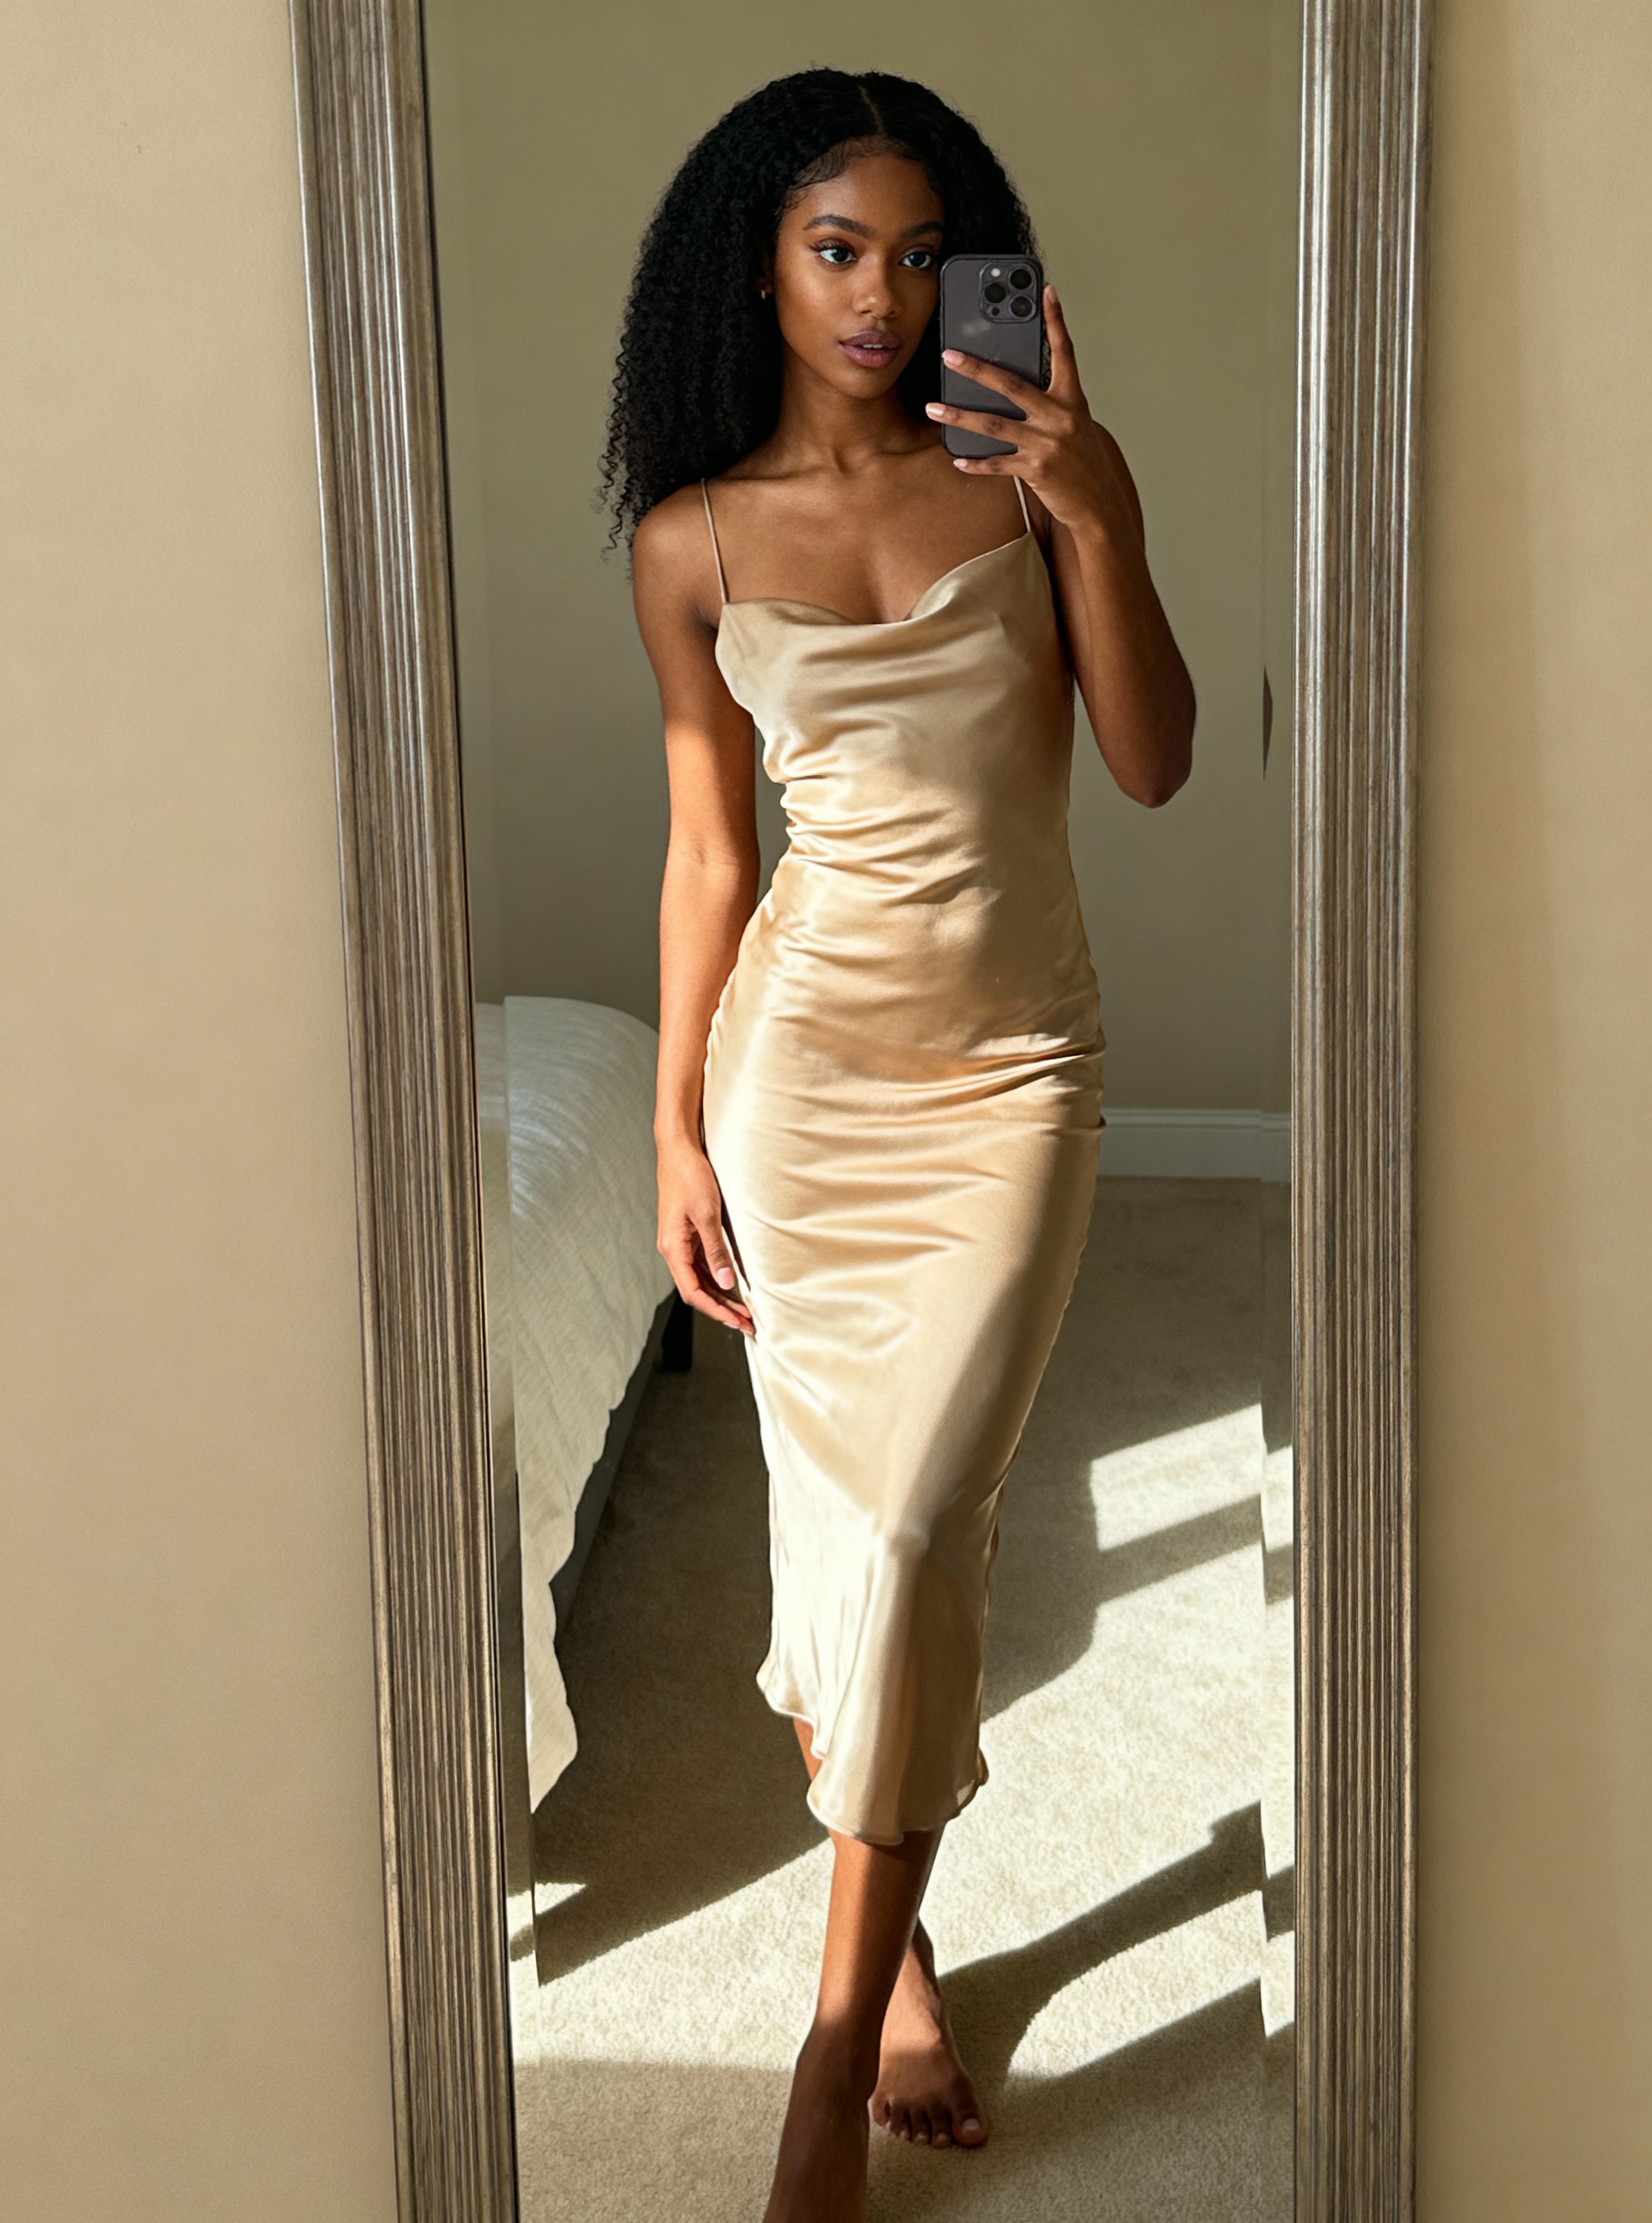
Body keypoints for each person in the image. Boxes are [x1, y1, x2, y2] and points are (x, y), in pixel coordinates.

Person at [606, 68, 1193, 2223]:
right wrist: (674, 1125)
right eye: (837, 248)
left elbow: (1152, 763)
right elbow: (708, 856)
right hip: (802, 1084)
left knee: (927, 1522)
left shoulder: (1030, 486)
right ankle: (901, 1957)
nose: (881, 292)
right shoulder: (691, 542)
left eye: (921, 252)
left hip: (1012, 1076)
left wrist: (1100, 514)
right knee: (844, 1539)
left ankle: (828, 2051)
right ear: (757, 265)